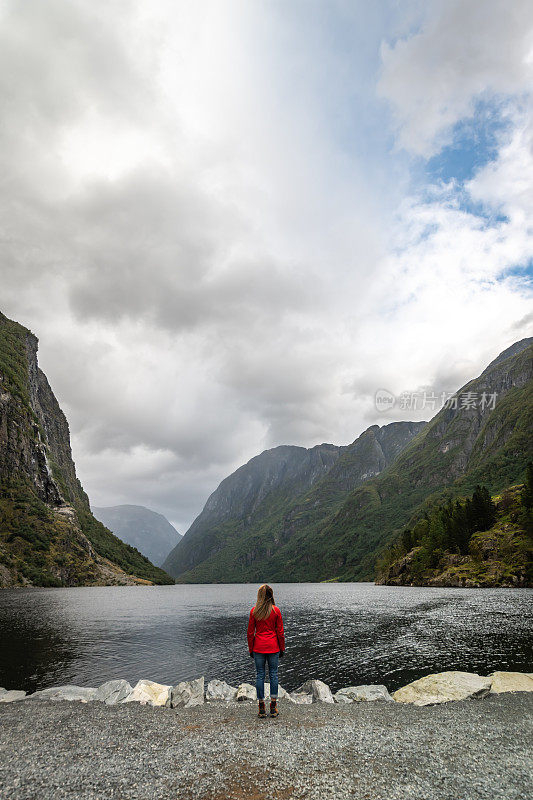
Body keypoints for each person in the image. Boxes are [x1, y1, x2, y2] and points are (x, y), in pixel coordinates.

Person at [247, 583, 285, 718]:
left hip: (258, 647)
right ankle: (273, 707)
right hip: (273, 647)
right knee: (274, 674)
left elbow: (250, 633)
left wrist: (251, 649)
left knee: (260, 675)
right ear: (271, 595)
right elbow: (280, 632)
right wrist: (282, 648)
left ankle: (261, 707)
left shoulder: (254, 611)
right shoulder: (276, 611)